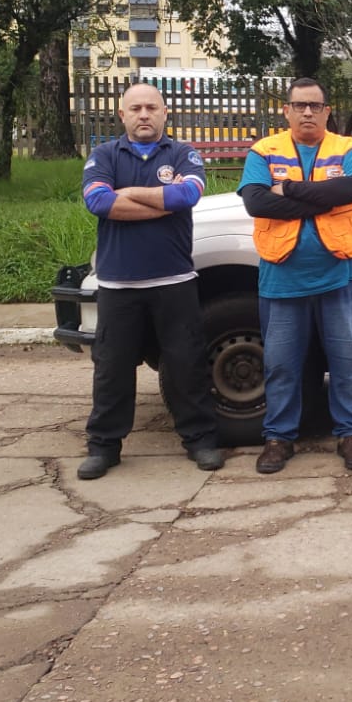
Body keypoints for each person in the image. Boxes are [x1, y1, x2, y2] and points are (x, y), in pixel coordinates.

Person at [77, 83, 224, 480]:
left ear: (165, 113)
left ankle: (200, 440)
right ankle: (104, 446)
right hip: (119, 285)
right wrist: (160, 200)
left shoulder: (183, 153)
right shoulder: (104, 154)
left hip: (173, 280)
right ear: (122, 115)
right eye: (135, 108)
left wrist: (130, 193)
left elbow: (187, 196)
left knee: (186, 364)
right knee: (112, 369)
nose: (144, 115)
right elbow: (98, 202)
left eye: (151, 108)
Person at [239, 78, 352, 473]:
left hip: (342, 271)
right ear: (287, 110)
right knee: (281, 363)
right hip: (282, 276)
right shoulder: (264, 151)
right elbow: (256, 201)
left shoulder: (348, 148)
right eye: (300, 105)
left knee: (348, 361)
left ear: (327, 111)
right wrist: (320, 200)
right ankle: (278, 439)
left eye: (315, 105)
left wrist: (291, 189)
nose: (308, 112)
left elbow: (351, 191)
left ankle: (351, 435)